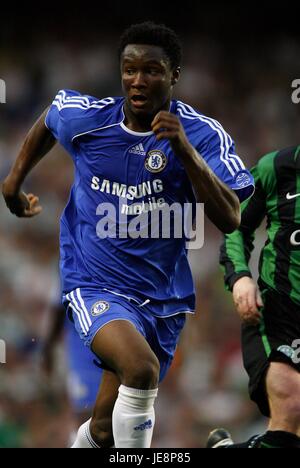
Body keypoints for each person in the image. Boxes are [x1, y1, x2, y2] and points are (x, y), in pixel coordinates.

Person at [2, 21, 254, 448]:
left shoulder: (202, 134)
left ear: (174, 75)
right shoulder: (91, 119)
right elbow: (52, 114)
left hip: (163, 300)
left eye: (152, 70)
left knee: (103, 429)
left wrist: (185, 153)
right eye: (129, 69)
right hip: (93, 281)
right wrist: (13, 183)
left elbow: (231, 217)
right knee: (140, 369)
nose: (138, 80)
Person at [207, 145, 300, 448]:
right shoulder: (277, 167)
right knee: (292, 404)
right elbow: (235, 222)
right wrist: (240, 277)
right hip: (279, 310)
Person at [41, 300, 102, 435]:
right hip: (84, 357)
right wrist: (48, 350)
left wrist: (48, 350)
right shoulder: (70, 281)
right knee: (86, 413)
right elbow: (59, 309)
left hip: (103, 353)